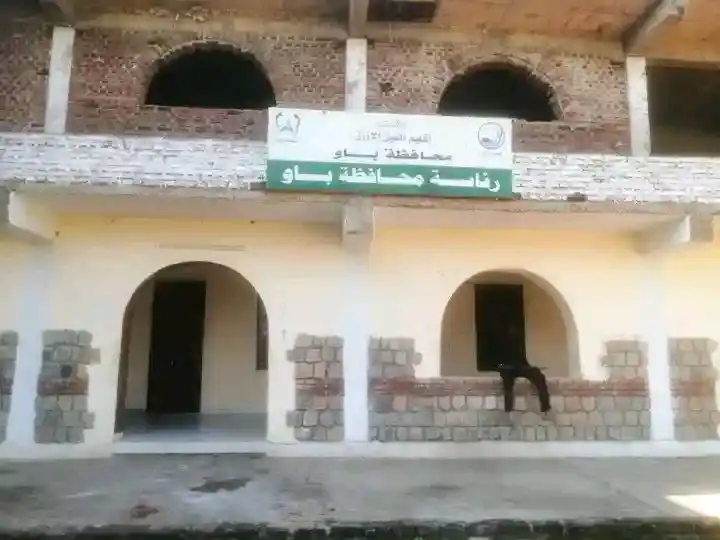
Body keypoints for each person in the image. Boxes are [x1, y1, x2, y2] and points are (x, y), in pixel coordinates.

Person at [496, 324, 551, 413]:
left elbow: (523, 361)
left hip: (518, 367)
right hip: (508, 369)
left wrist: (532, 368)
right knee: (508, 386)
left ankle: (545, 405)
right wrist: (503, 367)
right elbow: (499, 363)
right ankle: (508, 408)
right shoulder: (501, 346)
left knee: (537, 374)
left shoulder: (518, 346)